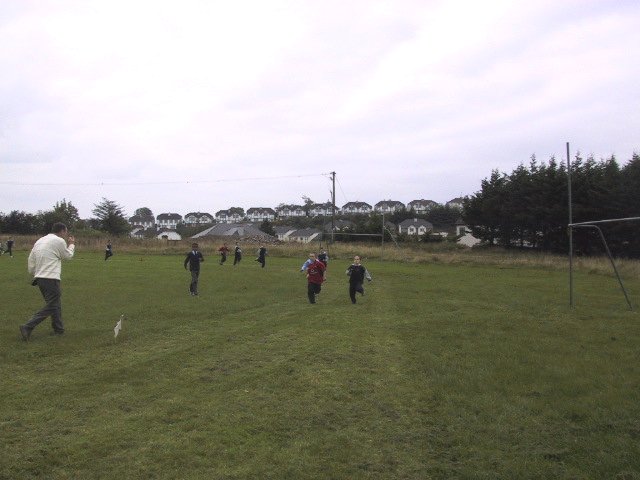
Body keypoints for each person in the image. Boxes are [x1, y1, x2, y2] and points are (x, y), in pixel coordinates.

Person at [19, 223, 75, 340]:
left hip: (40, 278)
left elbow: (31, 259)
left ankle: (59, 330)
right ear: (62, 231)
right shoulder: (59, 241)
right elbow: (67, 256)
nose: (66, 235)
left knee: (55, 304)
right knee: (53, 305)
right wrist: (71, 244)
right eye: (65, 232)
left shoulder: (40, 241)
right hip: (51, 277)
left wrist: (34, 273)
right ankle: (28, 326)